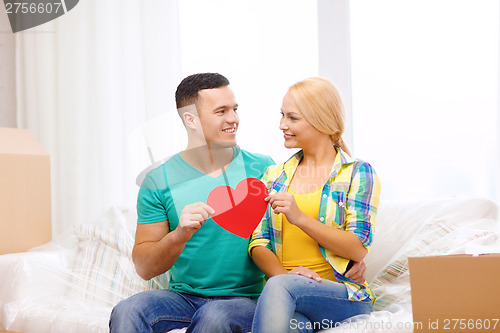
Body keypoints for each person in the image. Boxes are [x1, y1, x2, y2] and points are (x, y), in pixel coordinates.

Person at [109, 73, 367, 333]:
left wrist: (346, 262)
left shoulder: (265, 169)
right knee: (128, 310)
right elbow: (144, 267)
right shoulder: (158, 181)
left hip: (250, 299)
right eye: (221, 111)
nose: (233, 119)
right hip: (183, 298)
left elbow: (306, 216)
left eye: (234, 109)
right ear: (191, 120)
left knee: (215, 315)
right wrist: (179, 235)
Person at [249, 77, 381, 333]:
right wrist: (285, 277)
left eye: (292, 118)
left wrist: (300, 218)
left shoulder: (358, 173)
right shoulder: (274, 175)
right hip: (286, 294)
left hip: (342, 296)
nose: (281, 125)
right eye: (282, 116)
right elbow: (258, 242)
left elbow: (358, 247)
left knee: (279, 287)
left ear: (321, 120)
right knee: (294, 327)